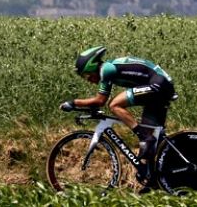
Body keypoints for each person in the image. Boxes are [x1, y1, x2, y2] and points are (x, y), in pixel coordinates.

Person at [61, 46, 175, 187]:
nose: (88, 80)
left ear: (92, 67)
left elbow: (100, 100)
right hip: (159, 85)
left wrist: (73, 103)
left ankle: (144, 136)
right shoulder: (107, 69)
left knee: (114, 105)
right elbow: (98, 102)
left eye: (86, 75)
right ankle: (152, 182)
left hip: (158, 84)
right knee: (148, 146)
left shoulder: (106, 70)